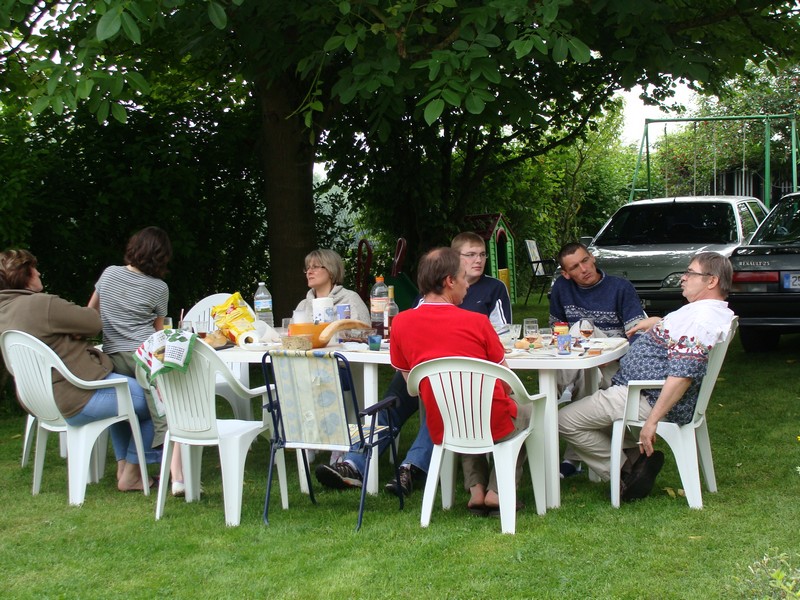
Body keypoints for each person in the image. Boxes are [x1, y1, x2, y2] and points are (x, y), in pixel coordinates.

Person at [315, 232, 512, 497]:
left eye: (481, 255)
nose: (477, 261)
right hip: (440, 381)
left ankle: (410, 466)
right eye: (469, 256)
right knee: (400, 401)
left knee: (440, 395)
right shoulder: (467, 318)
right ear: (450, 278)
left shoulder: (407, 319)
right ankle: (355, 463)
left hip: (451, 380)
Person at [558, 251, 735, 501]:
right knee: (590, 408)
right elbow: (683, 342)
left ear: (711, 281)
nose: (683, 278)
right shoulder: (708, 312)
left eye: (690, 273)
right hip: (640, 390)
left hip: (643, 396)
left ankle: (624, 471)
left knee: (562, 420)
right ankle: (635, 460)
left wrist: (652, 421)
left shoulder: (701, 319)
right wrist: (658, 322)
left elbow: (683, 375)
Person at [0, 249, 161, 491]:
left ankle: (123, 466)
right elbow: (92, 322)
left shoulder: (4, 310)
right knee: (157, 399)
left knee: (123, 393)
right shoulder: (42, 304)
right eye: (34, 268)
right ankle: (132, 473)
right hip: (77, 397)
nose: (39, 272)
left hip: (40, 403)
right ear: (25, 274)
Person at [390, 246, 530, 513]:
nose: (468, 285)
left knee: (462, 409)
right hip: (493, 420)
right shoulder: (477, 322)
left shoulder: (400, 323)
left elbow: (411, 382)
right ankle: (498, 492)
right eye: (464, 278)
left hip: (443, 420)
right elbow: (506, 380)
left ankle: (476, 491)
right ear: (449, 281)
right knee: (526, 411)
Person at [88, 226, 184, 494]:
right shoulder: (158, 287)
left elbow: (90, 313)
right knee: (162, 409)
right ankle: (169, 471)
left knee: (124, 407)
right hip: (142, 355)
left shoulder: (109, 273)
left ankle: (125, 467)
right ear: (161, 256)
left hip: (111, 356)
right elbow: (157, 332)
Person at [549, 242, 646, 477]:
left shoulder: (620, 288)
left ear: (592, 258)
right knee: (584, 370)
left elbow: (639, 336)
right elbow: (556, 329)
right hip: (581, 362)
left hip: (616, 365)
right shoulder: (562, 288)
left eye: (585, 261)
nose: (583, 269)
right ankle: (567, 382)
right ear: (566, 273)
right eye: (574, 267)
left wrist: (607, 355)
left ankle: (555, 392)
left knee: (582, 327)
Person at [294, 248, 370, 323]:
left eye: (315, 267)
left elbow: (366, 332)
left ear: (331, 271)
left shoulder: (350, 299)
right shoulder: (303, 306)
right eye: (308, 268)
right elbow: (291, 334)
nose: (309, 272)